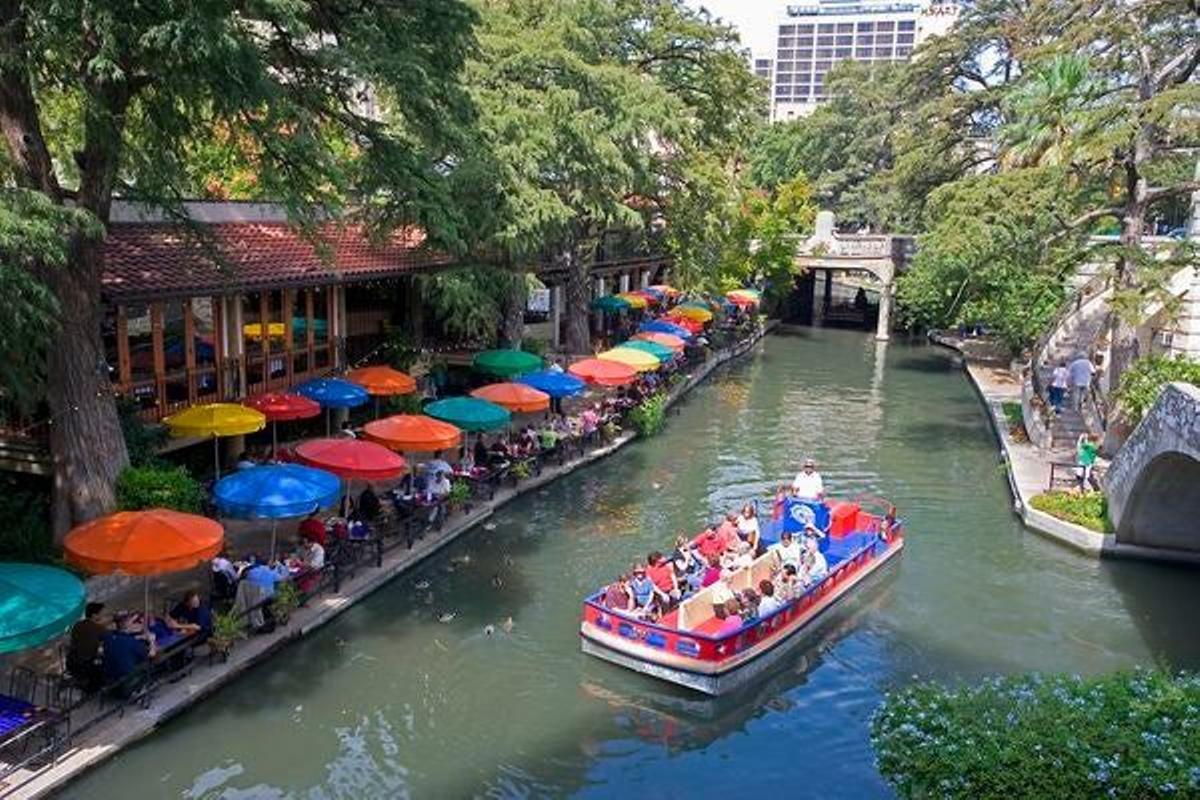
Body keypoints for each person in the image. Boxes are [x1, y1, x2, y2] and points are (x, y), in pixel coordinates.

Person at [101, 612, 156, 697]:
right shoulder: (133, 643)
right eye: (133, 622)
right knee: (149, 663)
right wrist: (152, 641)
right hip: (127, 683)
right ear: (126, 624)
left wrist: (137, 637)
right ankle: (142, 687)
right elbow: (151, 654)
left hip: (109, 678)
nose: (135, 624)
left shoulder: (108, 638)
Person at [66, 602, 108, 693]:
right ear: (94, 615)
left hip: (71, 663)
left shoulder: (77, 625)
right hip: (85, 667)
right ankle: (91, 690)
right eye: (101, 613)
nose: (103, 615)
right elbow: (108, 642)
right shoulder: (99, 629)